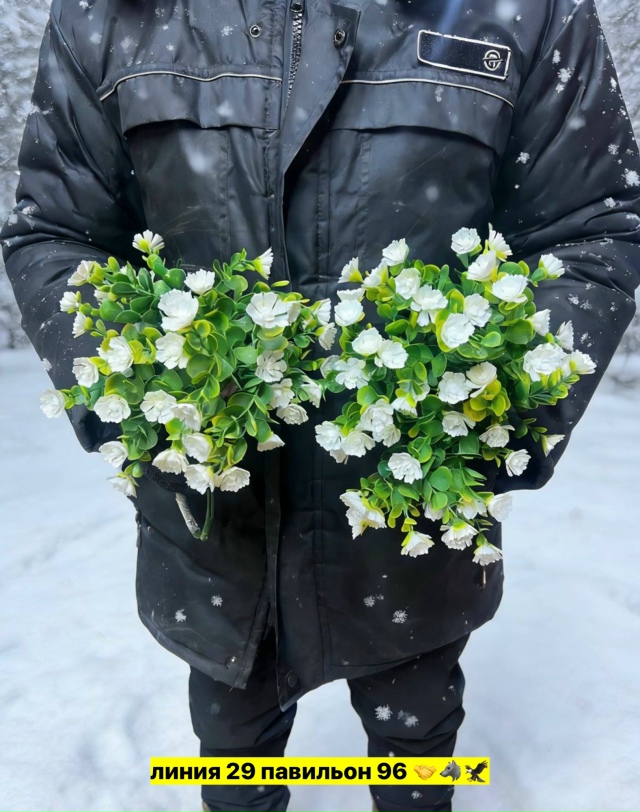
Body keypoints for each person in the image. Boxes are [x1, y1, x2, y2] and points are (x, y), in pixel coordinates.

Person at [2, 1, 640, 810]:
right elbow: (55, 232)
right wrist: (155, 400)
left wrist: (483, 414)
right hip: (218, 517)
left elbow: (590, 228)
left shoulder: (521, 10)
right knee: (232, 752)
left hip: (409, 521)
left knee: (417, 743)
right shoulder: (117, 14)